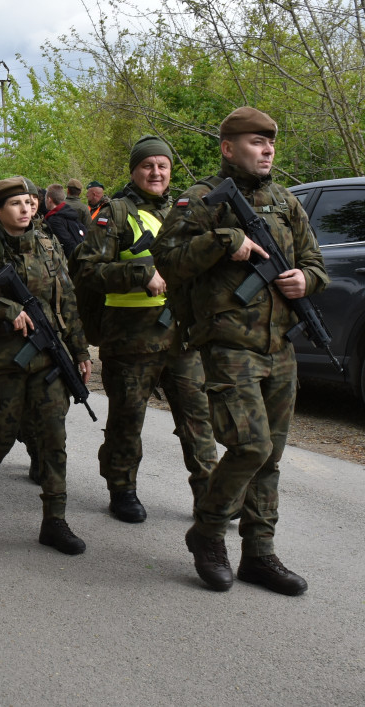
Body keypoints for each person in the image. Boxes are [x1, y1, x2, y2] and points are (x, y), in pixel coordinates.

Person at [153, 107, 328, 595]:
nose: (268, 150)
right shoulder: (201, 199)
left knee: (270, 458)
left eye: (270, 143)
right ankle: (208, 532)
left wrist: (305, 279)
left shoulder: (286, 202)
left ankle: (260, 554)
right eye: (256, 142)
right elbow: (168, 260)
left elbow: (315, 261)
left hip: (279, 345)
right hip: (228, 344)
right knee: (251, 447)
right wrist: (226, 240)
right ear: (228, 148)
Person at [71, 135, 218, 525]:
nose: (156, 172)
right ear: (134, 171)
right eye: (147, 166)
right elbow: (85, 270)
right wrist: (140, 273)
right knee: (127, 418)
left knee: (197, 418)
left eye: (163, 166)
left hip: (183, 338)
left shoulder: (188, 211)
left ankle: (210, 494)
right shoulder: (113, 213)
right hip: (131, 339)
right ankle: (122, 488)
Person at [0, 177, 92, 555]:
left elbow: (69, 302)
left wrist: (79, 351)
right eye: (15, 204)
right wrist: (2, 307)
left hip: (49, 359)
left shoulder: (49, 245)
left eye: (29, 202)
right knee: (0, 437)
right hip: (3, 365)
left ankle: (55, 522)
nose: (26, 209)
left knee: (53, 439)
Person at [43, 183, 86, 256]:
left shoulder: (54, 220)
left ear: (49, 199)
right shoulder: (70, 213)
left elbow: (66, 243)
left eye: (45, 198)